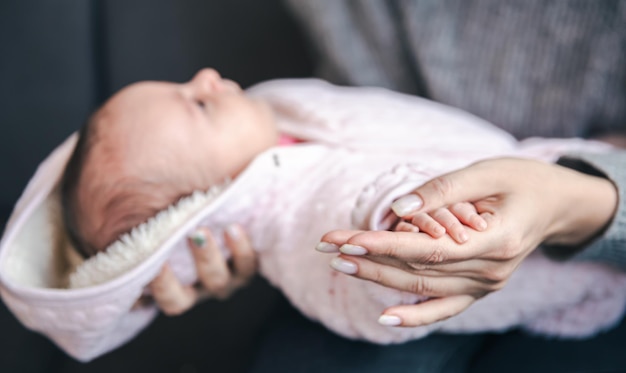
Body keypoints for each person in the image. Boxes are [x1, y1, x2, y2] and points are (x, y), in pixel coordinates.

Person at [2, 68, 623, 363]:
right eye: (195, 105)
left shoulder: (278, 124)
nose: (208, 76)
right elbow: (347, 222)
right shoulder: (291, 215)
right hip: (539, 262)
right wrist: (400, 223)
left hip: (567, 195)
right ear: (199, 206)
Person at [247, 1, 626, 372]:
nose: (207, 80)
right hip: (393, 248)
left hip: (598, 227)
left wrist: (570, 201)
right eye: (193, 104)